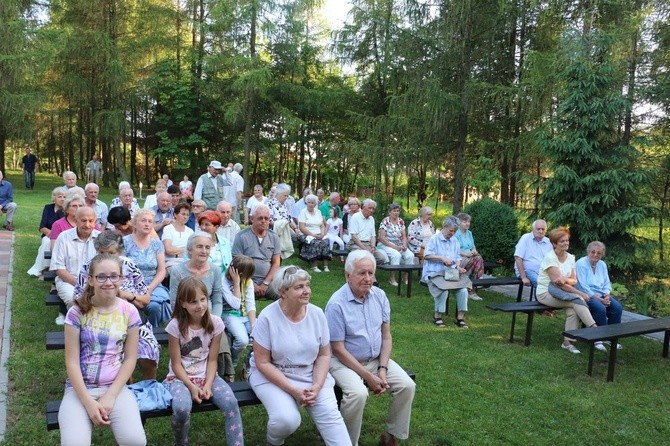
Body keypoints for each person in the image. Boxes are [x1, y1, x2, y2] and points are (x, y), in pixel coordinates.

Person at [249, 266, 351, 446]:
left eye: (307, 285)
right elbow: (262, 362)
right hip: (272, 375)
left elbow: (324, 354)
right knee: (286, 420)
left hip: (311, 374)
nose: (307, 291)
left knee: (333, 422)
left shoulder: (317, 314)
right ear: (282, 292)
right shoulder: (267, 317)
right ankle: (273, 442)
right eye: (299, 287)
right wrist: (294, 391)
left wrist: (318, 386)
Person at [325, 250, 416, 446]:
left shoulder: (380, 296)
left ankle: (391, 436)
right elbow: (338, 349)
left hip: (375, 360)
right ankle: (347, 442)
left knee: (407, 385)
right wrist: (368, 377)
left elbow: (386, 336)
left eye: (371, 273)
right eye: (362, 273)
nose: (368, 278)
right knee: (358, 394)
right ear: (348, 275)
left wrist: (382, 369)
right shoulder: (336, 304)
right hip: (343, 362)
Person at [58, 253, 146, 446]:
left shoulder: (129, 311)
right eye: (101, 277)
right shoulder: (77, 312)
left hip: (115, 387)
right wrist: (88, 403)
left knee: (135, 441)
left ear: (121, 278)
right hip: (79, 389)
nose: (108, 282)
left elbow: (130, 358)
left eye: (114, 276)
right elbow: (71, 361)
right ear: (90, 280)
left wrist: (111, 395)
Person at [164, 276, 244, 446]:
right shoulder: (175, 326)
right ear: (183, 303)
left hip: (208, 375)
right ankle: (180, 443)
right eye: (193, 302)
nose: (200, 305)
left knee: (231, 402)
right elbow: (176, 364)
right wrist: (192, 387)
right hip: (180, 378)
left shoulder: (215, 323)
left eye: (203, 299)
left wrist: (207, 385)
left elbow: (213, 360)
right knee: (181, 408)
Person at [73, 231, 160, 380]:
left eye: (111, 253)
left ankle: (149, 387)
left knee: (148, 351)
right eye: (102, 252)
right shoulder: (89, 267)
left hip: (132, 319)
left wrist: (126, 295)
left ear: (119, 252)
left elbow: (145, 299)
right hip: (99, 320)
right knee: (113, 352)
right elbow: (77, 299)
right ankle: (124, 383)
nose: (106, 257)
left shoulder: (129, 265)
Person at [536, 227, 597, 354]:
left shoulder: (570, 257)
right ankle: (595, 331)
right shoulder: (550, 258)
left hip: (564, 293)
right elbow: (558, 285)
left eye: (567, 241)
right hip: (545, 293)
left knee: (572, 311)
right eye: (562, 241)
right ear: (554, 244)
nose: (565, 243)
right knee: (577, 300)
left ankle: (567, 343)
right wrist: (580, 293)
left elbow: (574, 280)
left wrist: (565, 279)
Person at [50, 207, 101, 325]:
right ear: (76, 220)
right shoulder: (64, 237)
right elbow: (58, 267)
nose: (87, 224)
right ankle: (79, 329)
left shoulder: (100, 238)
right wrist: (80, 284)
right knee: (75, 300)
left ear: (95, 222)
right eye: (83, 220)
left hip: (95, 282)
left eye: (91, 221)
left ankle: (95, 328)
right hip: (68, 281)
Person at [124, 209, 171, 327]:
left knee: (154, 306)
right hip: (130, 284)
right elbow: (121, 269)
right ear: (134, 223)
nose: (147, 224)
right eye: (143, 221)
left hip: (152, 283)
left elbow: (161, 270)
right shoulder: (124, 242)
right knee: (131, 306)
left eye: (150, 222)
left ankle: (153, 335)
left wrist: (149, 289)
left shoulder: (157, 244)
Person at [422, 216, 471, 328]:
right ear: (444, 227)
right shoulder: (434, 239)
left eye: (454, 231)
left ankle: (460, 318)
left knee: (463, 290)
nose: (452, 233)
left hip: (450, 273)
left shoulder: (455, 241)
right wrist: (442, 258)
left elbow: (457, 258)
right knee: (443, 289)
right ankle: (437, 316)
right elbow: (427, 256)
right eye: (451, 231)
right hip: (434, 273)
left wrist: (458, 267)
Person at [576, 241, 624, 351]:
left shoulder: (602, 264)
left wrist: (607, 295)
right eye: (593, 252)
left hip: (601, 294)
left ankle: (611, 338)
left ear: (602, 254)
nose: (595, 255)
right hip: (586, 295)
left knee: (617, 308)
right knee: (600, 308)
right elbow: (582, 286)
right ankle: (598, 339)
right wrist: (599, 299)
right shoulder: (581, 264)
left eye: (599, 253)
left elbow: (607, 282)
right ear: (588, 252)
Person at [232, 204, 281, 300]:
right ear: (252, 219)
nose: (263, 221)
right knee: (238, 297)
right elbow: (237, 264)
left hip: (269, 282)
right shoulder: (241, 236)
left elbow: (276, 262)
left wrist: (265, 283)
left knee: (286, 295)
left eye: (266, 219)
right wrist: (251, 284)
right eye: (260, 218)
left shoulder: (274, 237)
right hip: (245, 280)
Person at [220, 255, 256, 371]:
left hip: (244, 315)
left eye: (243, 275)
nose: (240, 277)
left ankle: (249, 361)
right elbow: (235, 304)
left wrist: (254, 325)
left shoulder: (248, 282)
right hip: (229, 314)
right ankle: (233, 362)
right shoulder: (223, 281)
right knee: (243, 340)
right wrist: (236, 283)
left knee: (262, 336)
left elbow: (250, 304)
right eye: (238, 273)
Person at [27, 186, 66, 277]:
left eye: (65, 197)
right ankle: (43, 268)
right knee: (46, 242)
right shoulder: (48, 208)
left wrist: (57, 236)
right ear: (54, 198)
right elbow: (42, 227)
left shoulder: (67, 210)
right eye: (59, 196)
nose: (62, 199)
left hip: (62, 237)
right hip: (48, 235)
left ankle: (45, 268)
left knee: (48, 243)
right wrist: (52, 234)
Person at [378, 203, 415, 286]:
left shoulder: (400, 221)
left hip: (399, 244)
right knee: (396, 255)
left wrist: (404, 245)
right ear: (389, 212)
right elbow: (382, 238)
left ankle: (405, 277)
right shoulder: (385, 221)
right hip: (385, 244)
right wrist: (395, 247)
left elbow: (404, 236)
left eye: (398, 211)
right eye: (394, 211)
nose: (396, 213)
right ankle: (392, 278)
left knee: (410, 255)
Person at [346, 198, 388, 264]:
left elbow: (373, 236)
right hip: (355, 244)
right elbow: (354, 237)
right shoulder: (355, 217)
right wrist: (364, 249)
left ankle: (368, 270)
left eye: (373, 209)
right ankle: (359, 271)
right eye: (370, 208)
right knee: (364, 256)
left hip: (368, 244)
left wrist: (373, 247)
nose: (371, 210)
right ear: (363, 207)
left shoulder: (371, 219)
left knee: (381, 258)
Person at [298, 194, 332, 272]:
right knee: (314, 242)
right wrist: (313, 235)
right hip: (306, 234)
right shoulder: (303, 212)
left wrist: (322, 234)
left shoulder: (318, 212)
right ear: (306, 203)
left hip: (319, 233)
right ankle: (314, 265)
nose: (310, 204)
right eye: (308, 202)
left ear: (315, 204)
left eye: (312, 203)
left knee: (326, 241)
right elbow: (302, 227)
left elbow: (322, 225)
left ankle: (325, 266)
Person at [514, 219, 552, 288]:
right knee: (543, 286)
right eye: (538, 229)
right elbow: (518, 257)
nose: (541, 231)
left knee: (556, 284)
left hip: (543, 272)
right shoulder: (525, 238)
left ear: (546, 230)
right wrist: (524, 277)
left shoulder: (548, 242)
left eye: (543, 229)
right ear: (533, 229)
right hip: (527, 271)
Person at [455, 212, 485, 300]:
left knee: (478, 257)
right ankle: (477, 282)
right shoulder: (456, 233)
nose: (467, 223)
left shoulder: (469, 233)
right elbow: (455, 250)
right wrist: (467, 254)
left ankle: (472, 287)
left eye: (468, 222)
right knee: (477, 260)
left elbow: (473, 247)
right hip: (460, 257)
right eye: (464, 222)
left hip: (471, 256)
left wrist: (474, 251)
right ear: (459, 223)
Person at [267, 183, 298, 259]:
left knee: (299, 236)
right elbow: (269, 220)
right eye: (285, 195)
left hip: (285, 230)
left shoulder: (284, 205)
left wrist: (296, 228)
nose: (287, 198)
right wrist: (281, 225)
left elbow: (289, 219)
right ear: (278, 194)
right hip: (274, 230)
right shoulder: (270, 204)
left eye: (287, 196)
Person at [196, 210, 232, 275]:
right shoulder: (194, 241)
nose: (203, 227)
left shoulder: (225, 242)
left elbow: (229, 264)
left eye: (207, 225)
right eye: (201, 224)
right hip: (202, 278)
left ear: (216, 227)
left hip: (223, 279)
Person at [162, 202, 193, 271]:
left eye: (187, 215)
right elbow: (169, 250)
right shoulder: (168, 229)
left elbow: (193, 250)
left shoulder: (190, 231)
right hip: (171, 261)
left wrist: (179, 251)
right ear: (175, 214)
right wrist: (185, 250)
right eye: (183, 214)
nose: (185, 217)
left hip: (187, 261)